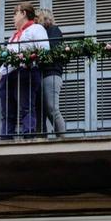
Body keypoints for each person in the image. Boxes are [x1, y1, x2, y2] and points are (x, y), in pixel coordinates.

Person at [0, 2, 49, 140]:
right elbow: (7, 56)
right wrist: (0, 72)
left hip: (26, 71)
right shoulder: (13, 36)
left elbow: (44, 50)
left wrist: (28, 59)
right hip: (8, 74)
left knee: (26, 107)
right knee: (7, 111)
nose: (13, 17)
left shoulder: (36, 28)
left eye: (15, 13)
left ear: (24, 13)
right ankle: (6, 137)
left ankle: (28, 135)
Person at [37, 8, 67, 137]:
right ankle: (41, 138)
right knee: (40, 111)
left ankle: (62, 139)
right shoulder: (41, 32)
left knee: (51, 108)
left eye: (36, 18)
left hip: (51, 74)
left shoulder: (53, 30)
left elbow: (51, 50)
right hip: (42, 75)